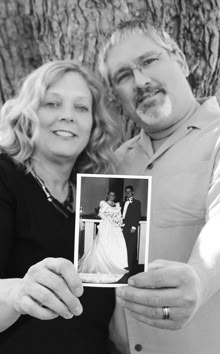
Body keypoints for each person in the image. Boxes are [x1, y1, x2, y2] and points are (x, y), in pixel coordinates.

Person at [98, 19, 220, 354]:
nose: (140, 81)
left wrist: (200, 280)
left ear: (181, 61)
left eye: (148, 61)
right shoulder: (112, 164)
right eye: (124, 76)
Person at [0, 60, 119, 354]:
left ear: (94, 124)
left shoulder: (99, 198)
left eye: (81, 108)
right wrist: (17, 294)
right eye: (52, 103)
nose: (67, 116)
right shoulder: (5, 177)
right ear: (29, 115)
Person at [78, 190, 129, 283]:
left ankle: (116, 264)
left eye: (113, 195)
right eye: (110, 195)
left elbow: (119, 215)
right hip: (107, 226)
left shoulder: (117, 205)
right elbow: (101, 213)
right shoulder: (103, 203)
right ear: (107, 195)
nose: (112, 196)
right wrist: (110, 219)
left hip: (115, 228)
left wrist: (118, 220)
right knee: (105, 244)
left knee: (117, 244)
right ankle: (104, 265)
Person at [121, 185, 141, 274]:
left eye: (129, 191)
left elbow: (137, 215)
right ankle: (123, 265)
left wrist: (134, 227)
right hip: (123, 227)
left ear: (133, 192)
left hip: (131, 227)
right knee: (123, 246)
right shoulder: (123, 203)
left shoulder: (137, 202)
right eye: (126, 191)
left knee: (131, 247)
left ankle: (129, 267)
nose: (128, 193)